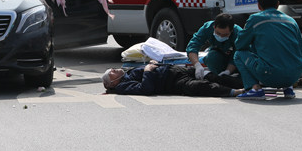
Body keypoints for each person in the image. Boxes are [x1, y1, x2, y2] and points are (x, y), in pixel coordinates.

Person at [233, 0, 302, 99]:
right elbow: (300, 49)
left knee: (239, 54)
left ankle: (254, 88)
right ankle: (288, 88)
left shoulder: (255, 19)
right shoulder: (291, 21)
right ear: (278, 4)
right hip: (295, 75)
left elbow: (240, 45)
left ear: (258, 6)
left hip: (271, 75)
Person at [102, 61, 244, 97]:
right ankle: (235, 91)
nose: (113, 69)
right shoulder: (122, 86)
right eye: (111, 73)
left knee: (211, 76)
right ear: (112, 83)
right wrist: (147, 71)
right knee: (199, 86)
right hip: (172, 82)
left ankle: (252, 84)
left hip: (174, 70)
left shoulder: (127, 72)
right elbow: (146, 89)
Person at [186, 13, 243, 89]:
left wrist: (228, 71)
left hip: (236, 60)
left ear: (231, 31)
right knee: (212, 57)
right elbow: (193, 46)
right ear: (214, 27)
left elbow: (238, 53)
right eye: (218, 33)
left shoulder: (238, 33)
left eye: (225, 35)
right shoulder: (207, 28)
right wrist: (197, 65)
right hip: (219, 56)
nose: (221, 36)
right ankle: (218, 78)